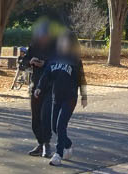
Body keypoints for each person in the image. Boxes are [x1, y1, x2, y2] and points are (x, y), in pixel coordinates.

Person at [34, 33, 88, 166]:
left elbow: (82, 79)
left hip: (70, 98)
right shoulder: (54, 59)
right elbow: (46, 75)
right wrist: (39, 87)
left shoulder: (75, 61)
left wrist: (84, 96)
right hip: (56, 98)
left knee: (60, 125)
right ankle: (68, 145)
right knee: (55, 128)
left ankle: (58, 154)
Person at [22, 21, 56, 156]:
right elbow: (23, 62)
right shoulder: (34, 46)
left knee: (45, 116)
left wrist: (45, 64)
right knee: (35, 118)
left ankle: (47, 144)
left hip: (49, 87)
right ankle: (40, 143)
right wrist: (30, 62)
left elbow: (59, 62)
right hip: (35, 85)